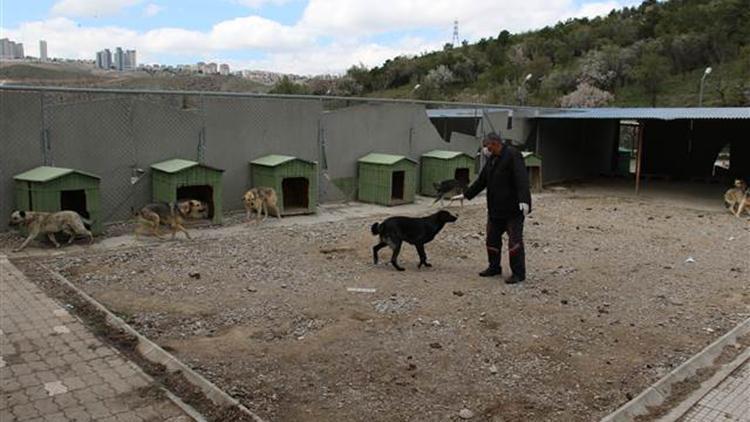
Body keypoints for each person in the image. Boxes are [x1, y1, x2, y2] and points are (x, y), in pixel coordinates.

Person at [455, 132, 531, 284]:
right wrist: (466, 195)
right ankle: (494, 267)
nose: (485, 148)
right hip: (495, 210)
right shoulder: (492, 160)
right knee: (492, 240)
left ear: (495, 143)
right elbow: (481, 181)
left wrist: (524, 200)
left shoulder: (512, 155)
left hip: (512, 210)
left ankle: (518, 273)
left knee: (514, 242)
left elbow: (521, 177)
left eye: (486, 145)